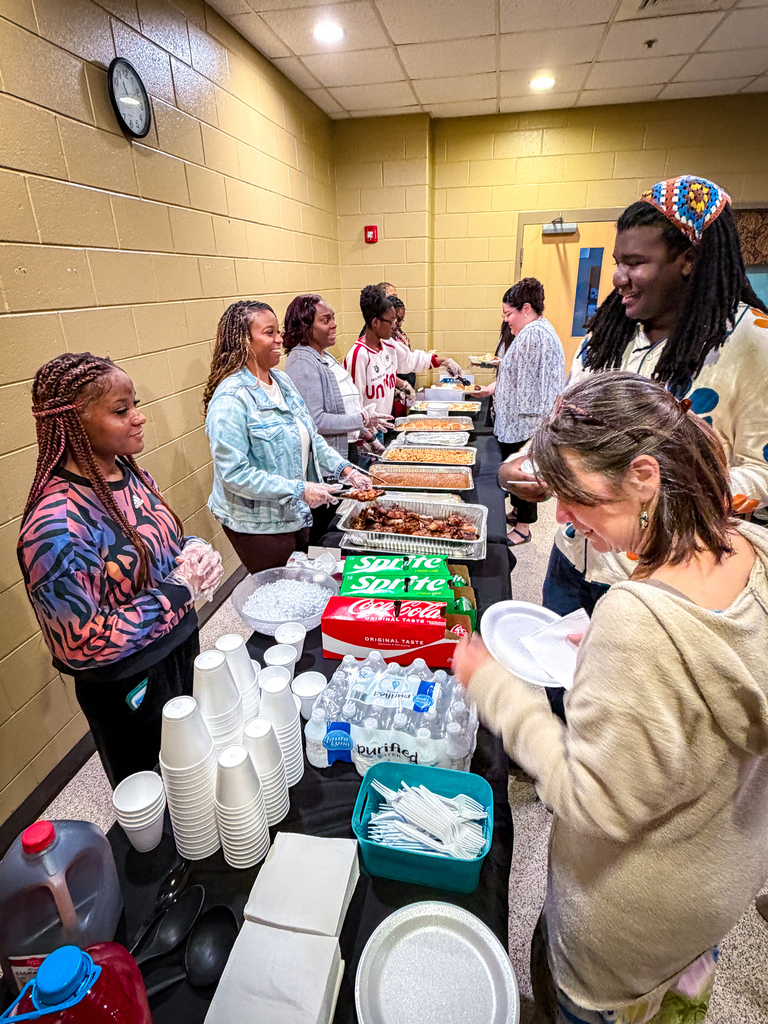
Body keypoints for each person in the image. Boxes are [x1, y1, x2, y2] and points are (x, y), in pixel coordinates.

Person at [453, 372, 768, 1024]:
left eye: (574, 496)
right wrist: (597, 639)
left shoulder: (639, 622)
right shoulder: (752, 547)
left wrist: (501, 693)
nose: (561, 518)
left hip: (622, 929)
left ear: (645, 477)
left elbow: (587, 798)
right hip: (706, 894)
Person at [500, 176, 768, 610]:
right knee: (560, 675)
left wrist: (653, 494)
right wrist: (529, 462)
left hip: (664, 578)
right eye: (617, 261)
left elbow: (762, 472)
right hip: (575, 555)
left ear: (688, 259)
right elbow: (565, 425)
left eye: (635, 262)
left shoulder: (753, 343)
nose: (618, 278)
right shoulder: (605, 339)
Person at [17, 353, 224, 787]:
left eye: (135, 404)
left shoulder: (130, 473)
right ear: (72, 422)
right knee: (156, 787)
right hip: (129, 678)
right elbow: (82, 643)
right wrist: (178, 592)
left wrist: (195, 550)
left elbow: (161, 546)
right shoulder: (55, 527)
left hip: (180, 644)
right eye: (120, 410)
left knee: (196, 765)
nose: (139, 417)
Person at [204, 300, 368, 573]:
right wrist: (299, 489)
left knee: (302, 582)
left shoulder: (282, 382)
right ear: (245, 341)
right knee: (281, 591)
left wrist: (347, 470)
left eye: (278, 331)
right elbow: (234, 474)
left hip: (295, 512)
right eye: (269, 333)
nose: (280, 338)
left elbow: (311, 436)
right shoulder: (231, 398)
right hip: (259, 525)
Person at [283, 293, 392, 539]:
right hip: (327, 465)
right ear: (305, 327)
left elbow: (343, 407)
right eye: (325, 320)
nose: (334, 324)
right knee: (328, 530)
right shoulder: (302, 361)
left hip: (344, 453)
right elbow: (316, 421)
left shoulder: (322, 354)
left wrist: (366, 434)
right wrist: (360, 420)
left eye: (333, 318)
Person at [489, 279, 565, 545]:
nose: (507, 321)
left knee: (522, 474)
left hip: (525, 423)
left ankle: (523, 528)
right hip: (522, 420)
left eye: (509, 314)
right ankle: (517, 513)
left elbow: (527, 385)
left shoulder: (534, 334)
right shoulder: (538, 331)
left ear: (527, 309)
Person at [344, 286, 460, 427]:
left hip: (384, 423)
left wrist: (443, 361)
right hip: (368, 430)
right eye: (391, 321)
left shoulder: (389, 345)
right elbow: (354, 402)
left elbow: (411, 360)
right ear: (375, 323)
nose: (394, 326)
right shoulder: (359, 355)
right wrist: (363, 436)